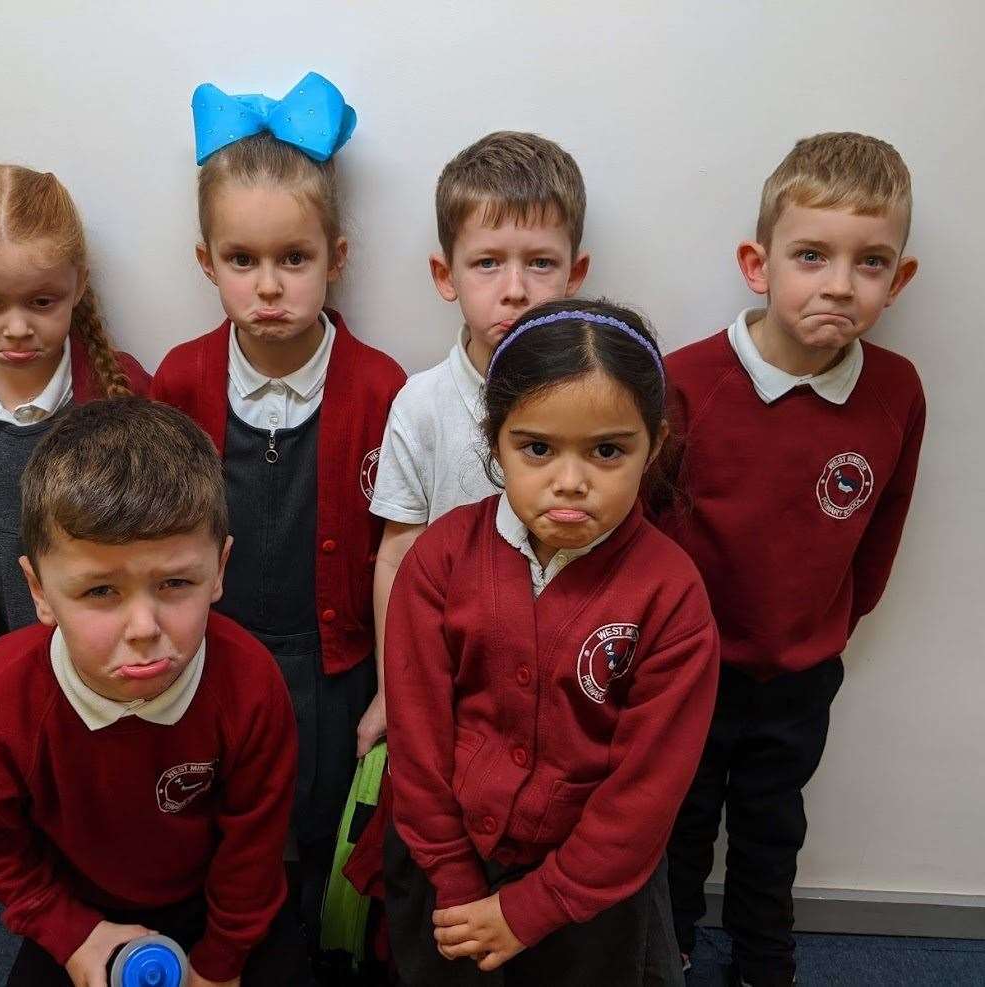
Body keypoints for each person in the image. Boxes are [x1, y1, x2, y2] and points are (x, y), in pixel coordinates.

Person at [384, 300, 719, 985]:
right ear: (496, 438)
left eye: (607, 450)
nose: (571, 481)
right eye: (537, 447)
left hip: (593, 893)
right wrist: (455, 880)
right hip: (449, 872)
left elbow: (643, 795)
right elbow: (417, 743)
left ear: (652, 445)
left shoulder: (672, 595)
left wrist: (532, 908)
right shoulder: (441, 559)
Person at [658, 132, 924, 987]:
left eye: (870, 262)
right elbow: (648, 530)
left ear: (899, 279)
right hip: (690, 667)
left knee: (774, 827)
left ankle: (764, 959)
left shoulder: (896, 391)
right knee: (680, 820)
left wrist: (832, 626)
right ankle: (670, 949)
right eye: (812, 255)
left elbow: (881, 529)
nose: (839, 284)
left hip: (802, 672)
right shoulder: (683, 380)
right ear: (757, 262)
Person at [150, 72, 406, 955]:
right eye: (242, 261)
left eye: (293, 259)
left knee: (326, 827)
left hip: (333, 665)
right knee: (225, 821)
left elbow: (400, 550)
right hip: (217, 653)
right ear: (206, 262)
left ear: (337, 257)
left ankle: (324, 953)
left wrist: (390, 685)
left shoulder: (381, 387)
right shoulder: (179, 380)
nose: (268, 287)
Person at [0, 397, 304, 987]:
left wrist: (220, 963)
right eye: (101, 591)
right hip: (79, 907)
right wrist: (64, 928)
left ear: (220, 569)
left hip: (218, 905)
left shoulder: (251, 684)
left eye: (176, 583)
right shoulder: (5, 701)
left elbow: (252, 852)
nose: (143, 629)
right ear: (40, 591)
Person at [367, 130, 591, 756]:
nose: (514, 289)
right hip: (450, 686)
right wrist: (394, 689)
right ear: (446, 275)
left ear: (575, 273)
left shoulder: (600, 404)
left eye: (540, 263)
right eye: (488, 263)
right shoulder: (421, 405)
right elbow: (396, 554)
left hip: (565, 690)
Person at [0, 161, 149, 718]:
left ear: (77, 284)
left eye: (41, 301)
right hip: (2, 674)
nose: (16, 327)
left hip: (119, 669)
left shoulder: (123, 388)